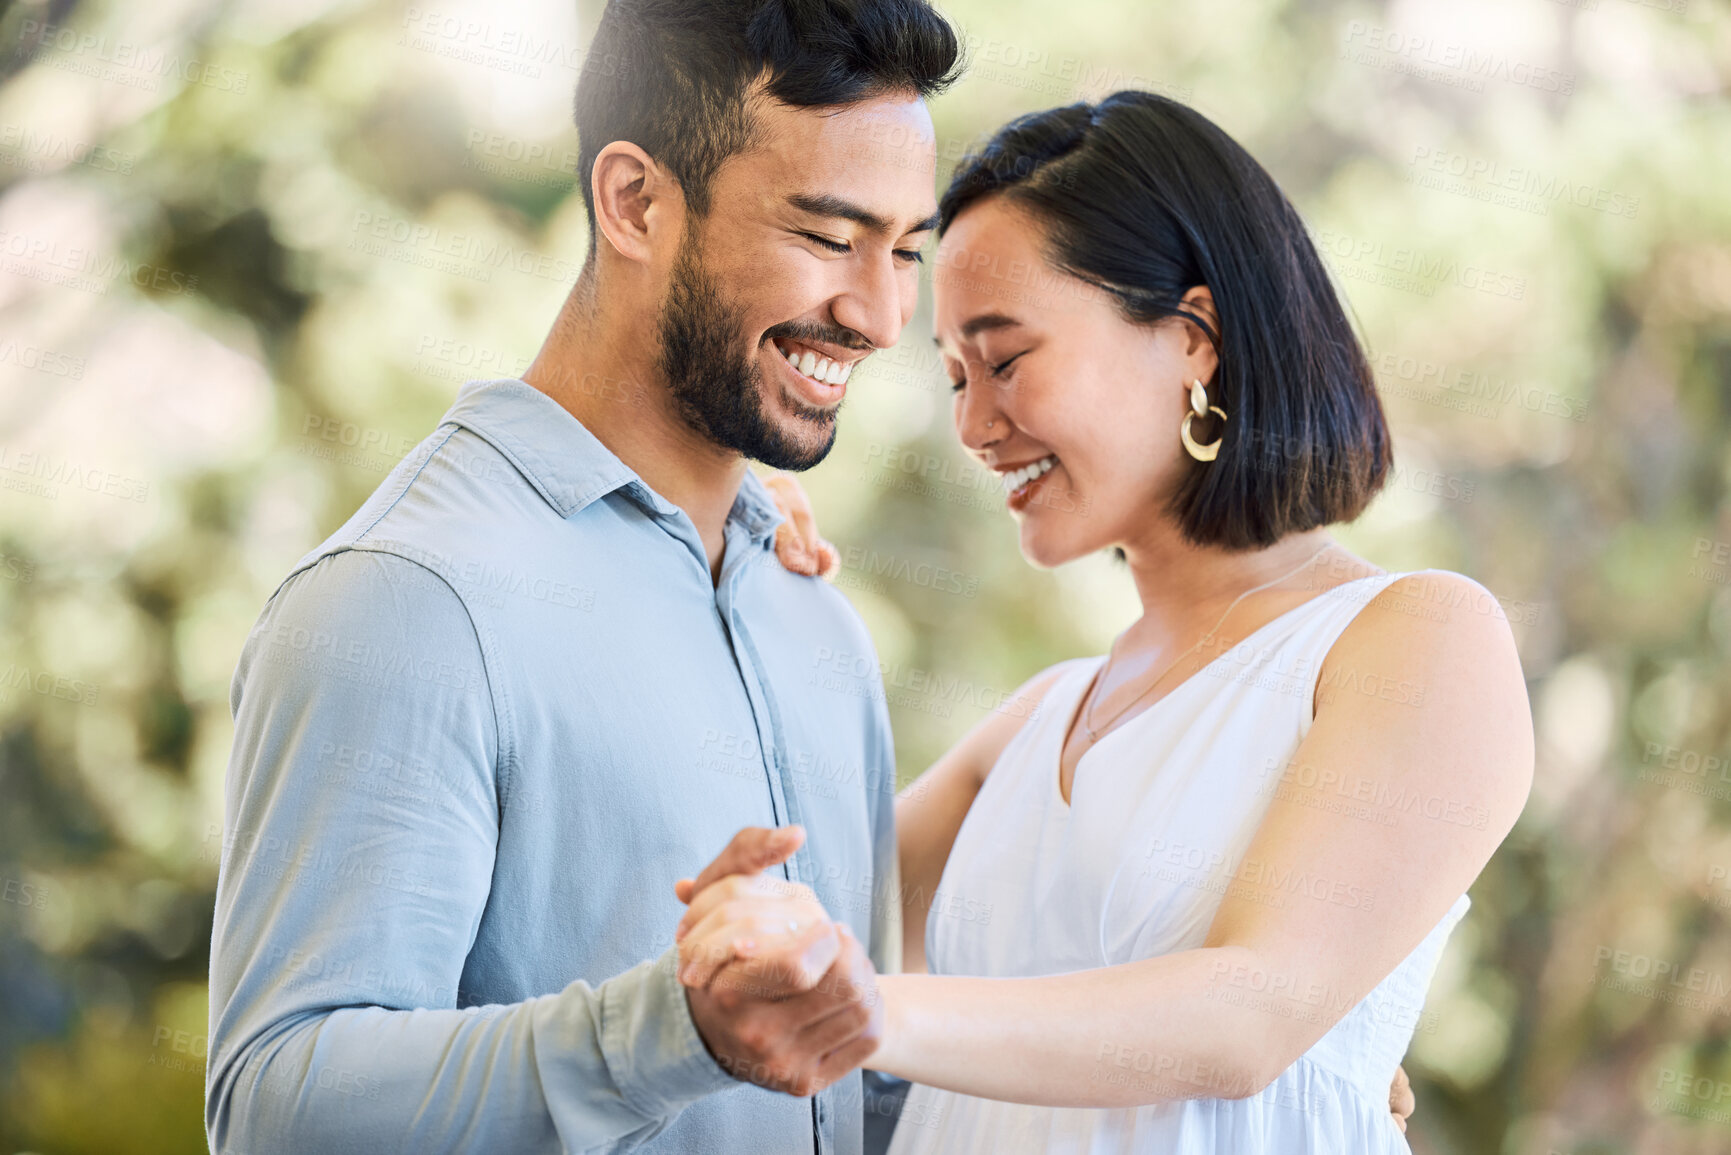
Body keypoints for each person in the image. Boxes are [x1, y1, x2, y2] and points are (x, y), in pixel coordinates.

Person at [675, 90, 1534, 1153]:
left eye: (1006, 358)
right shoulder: (1034, 724)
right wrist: (736, 556)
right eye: (953, 376)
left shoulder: (1416, 640)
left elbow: (1247, 1016)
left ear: (1195, 340)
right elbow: (769, 921)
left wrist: (876, 1013)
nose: (975, 426)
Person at [203, 3, 963, 1152]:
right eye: (826, 236)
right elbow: (277, 1108)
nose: (880, 313)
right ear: (635, 202)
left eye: (905, 250)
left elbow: (841, 1090)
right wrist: (665, 1031)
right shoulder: (405, 601)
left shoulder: (818, 623)